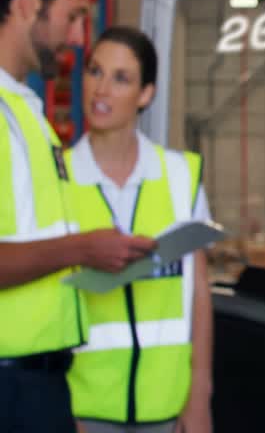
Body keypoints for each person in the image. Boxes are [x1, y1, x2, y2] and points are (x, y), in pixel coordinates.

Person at [0, 0, 156, 433]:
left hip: (38, 380)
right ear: (28, 3)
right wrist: (80, 250)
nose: (77, 39)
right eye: (73, 17)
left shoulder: (25, 111)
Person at [64, 26, 213, 433]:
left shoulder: (182, 175)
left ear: (146, 94)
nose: (102, 89)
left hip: (166, 404)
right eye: (95, 72)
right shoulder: (59, 179)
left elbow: (198, 291)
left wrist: (199, 393)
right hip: (85, 405)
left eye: (121, 78)